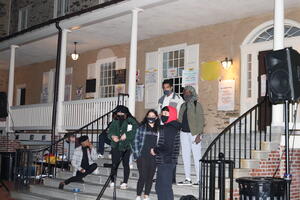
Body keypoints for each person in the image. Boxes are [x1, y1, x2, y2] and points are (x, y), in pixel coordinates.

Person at [151, 106, 181, 200]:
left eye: (166, 114)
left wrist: (155, 150)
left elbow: (168, 146)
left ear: (172, 115)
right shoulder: (169, 126)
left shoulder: (170, 128)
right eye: (162, 114)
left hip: (166, 161)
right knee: (160, 187)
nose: (163, 116)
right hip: (165, 161)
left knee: (165, 188)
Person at [157, 79, 184, 183]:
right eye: (164, 88)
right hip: (162, 126)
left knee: (172, 152)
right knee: (161, 151)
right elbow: (158, 112)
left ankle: (172, 177)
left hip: (172, 126)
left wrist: (176, 124)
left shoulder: (178, 98)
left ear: (172, 87)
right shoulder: (161, 99)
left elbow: (179, 113)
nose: (165, 90)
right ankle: (160, 175)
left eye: (167, 88)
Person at [177, 86, 204, 187]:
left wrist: (199, 134)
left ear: (192, 93)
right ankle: (187, 178)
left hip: (194, 133)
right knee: (185, 156)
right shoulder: (183, 106)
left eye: (188, 92)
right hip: (183, 133)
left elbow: (201, 120)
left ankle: (199, 179)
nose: (185, 94)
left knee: (197, 157)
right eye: (184, 92)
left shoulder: (197, 105)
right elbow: (179, 119)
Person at [108, 105, 138, 190]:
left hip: (126, 146)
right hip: (115, 146)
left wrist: (127, 135)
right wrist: (113, 136)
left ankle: (125, 182)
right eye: (118, 112)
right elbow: (110, 131)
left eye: (121, 112)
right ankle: (112, 181)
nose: (120, 114)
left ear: (125, 113)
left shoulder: (131, 121)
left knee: (126, 164)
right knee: (114, 164)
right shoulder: (115, 120)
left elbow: (135, 130)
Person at [133, 109, 160, 200]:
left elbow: (160, 143)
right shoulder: (141, 128)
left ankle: (146, 195)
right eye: (149, 116)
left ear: (156, 117)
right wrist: (136, 155)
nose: (151, 118)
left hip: (153, 157)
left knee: (150, 176)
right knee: (143, 176)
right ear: (146, 117)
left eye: (153, 116)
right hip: (142, 156)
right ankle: (138, 195)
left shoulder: (159, 130)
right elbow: (135, 141)